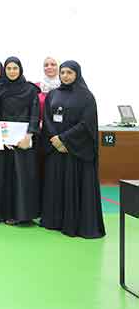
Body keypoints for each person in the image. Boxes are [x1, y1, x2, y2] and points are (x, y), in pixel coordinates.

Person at [41, 61, 105, 239]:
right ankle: (55, 221)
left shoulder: (86, 97)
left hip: (75, 152)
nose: (65, 76)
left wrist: (64, 139)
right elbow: (47, 118)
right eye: (63, 72)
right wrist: (55, 139)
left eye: (69, 72)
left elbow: (86, 124)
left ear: (77, 74)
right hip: (55, 149)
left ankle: (74, 224)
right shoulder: (54, 94)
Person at [0, 57, 40, 225]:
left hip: (24, 141)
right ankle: (7, 213)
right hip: (5, 141)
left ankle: (23, 214)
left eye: (15, 68)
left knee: (23, 177)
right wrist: (1, 137)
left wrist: (29, 135)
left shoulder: (30, 90)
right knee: (6, 177)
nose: (12, 71)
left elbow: (34, 114)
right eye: (9, 68)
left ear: (20, 69)